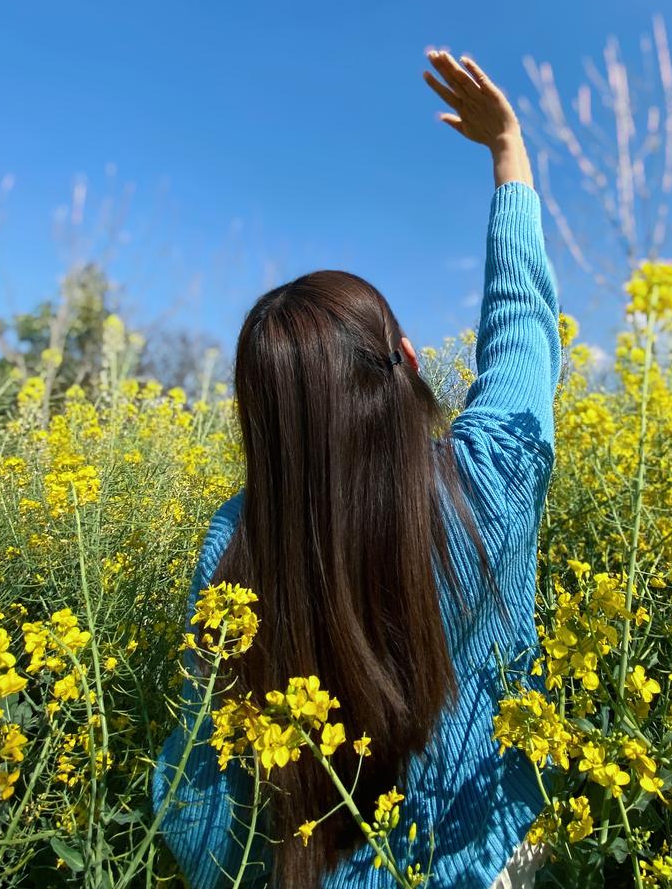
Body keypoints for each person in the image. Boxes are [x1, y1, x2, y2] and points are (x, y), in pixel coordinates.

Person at [150, 49, 562, 888]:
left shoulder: (234, 544)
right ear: (407, 358)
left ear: (261, 422)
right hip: (490, 864)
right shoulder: (489, 481)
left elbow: (202, 785)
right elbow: (522, 333)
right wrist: (508, 154)